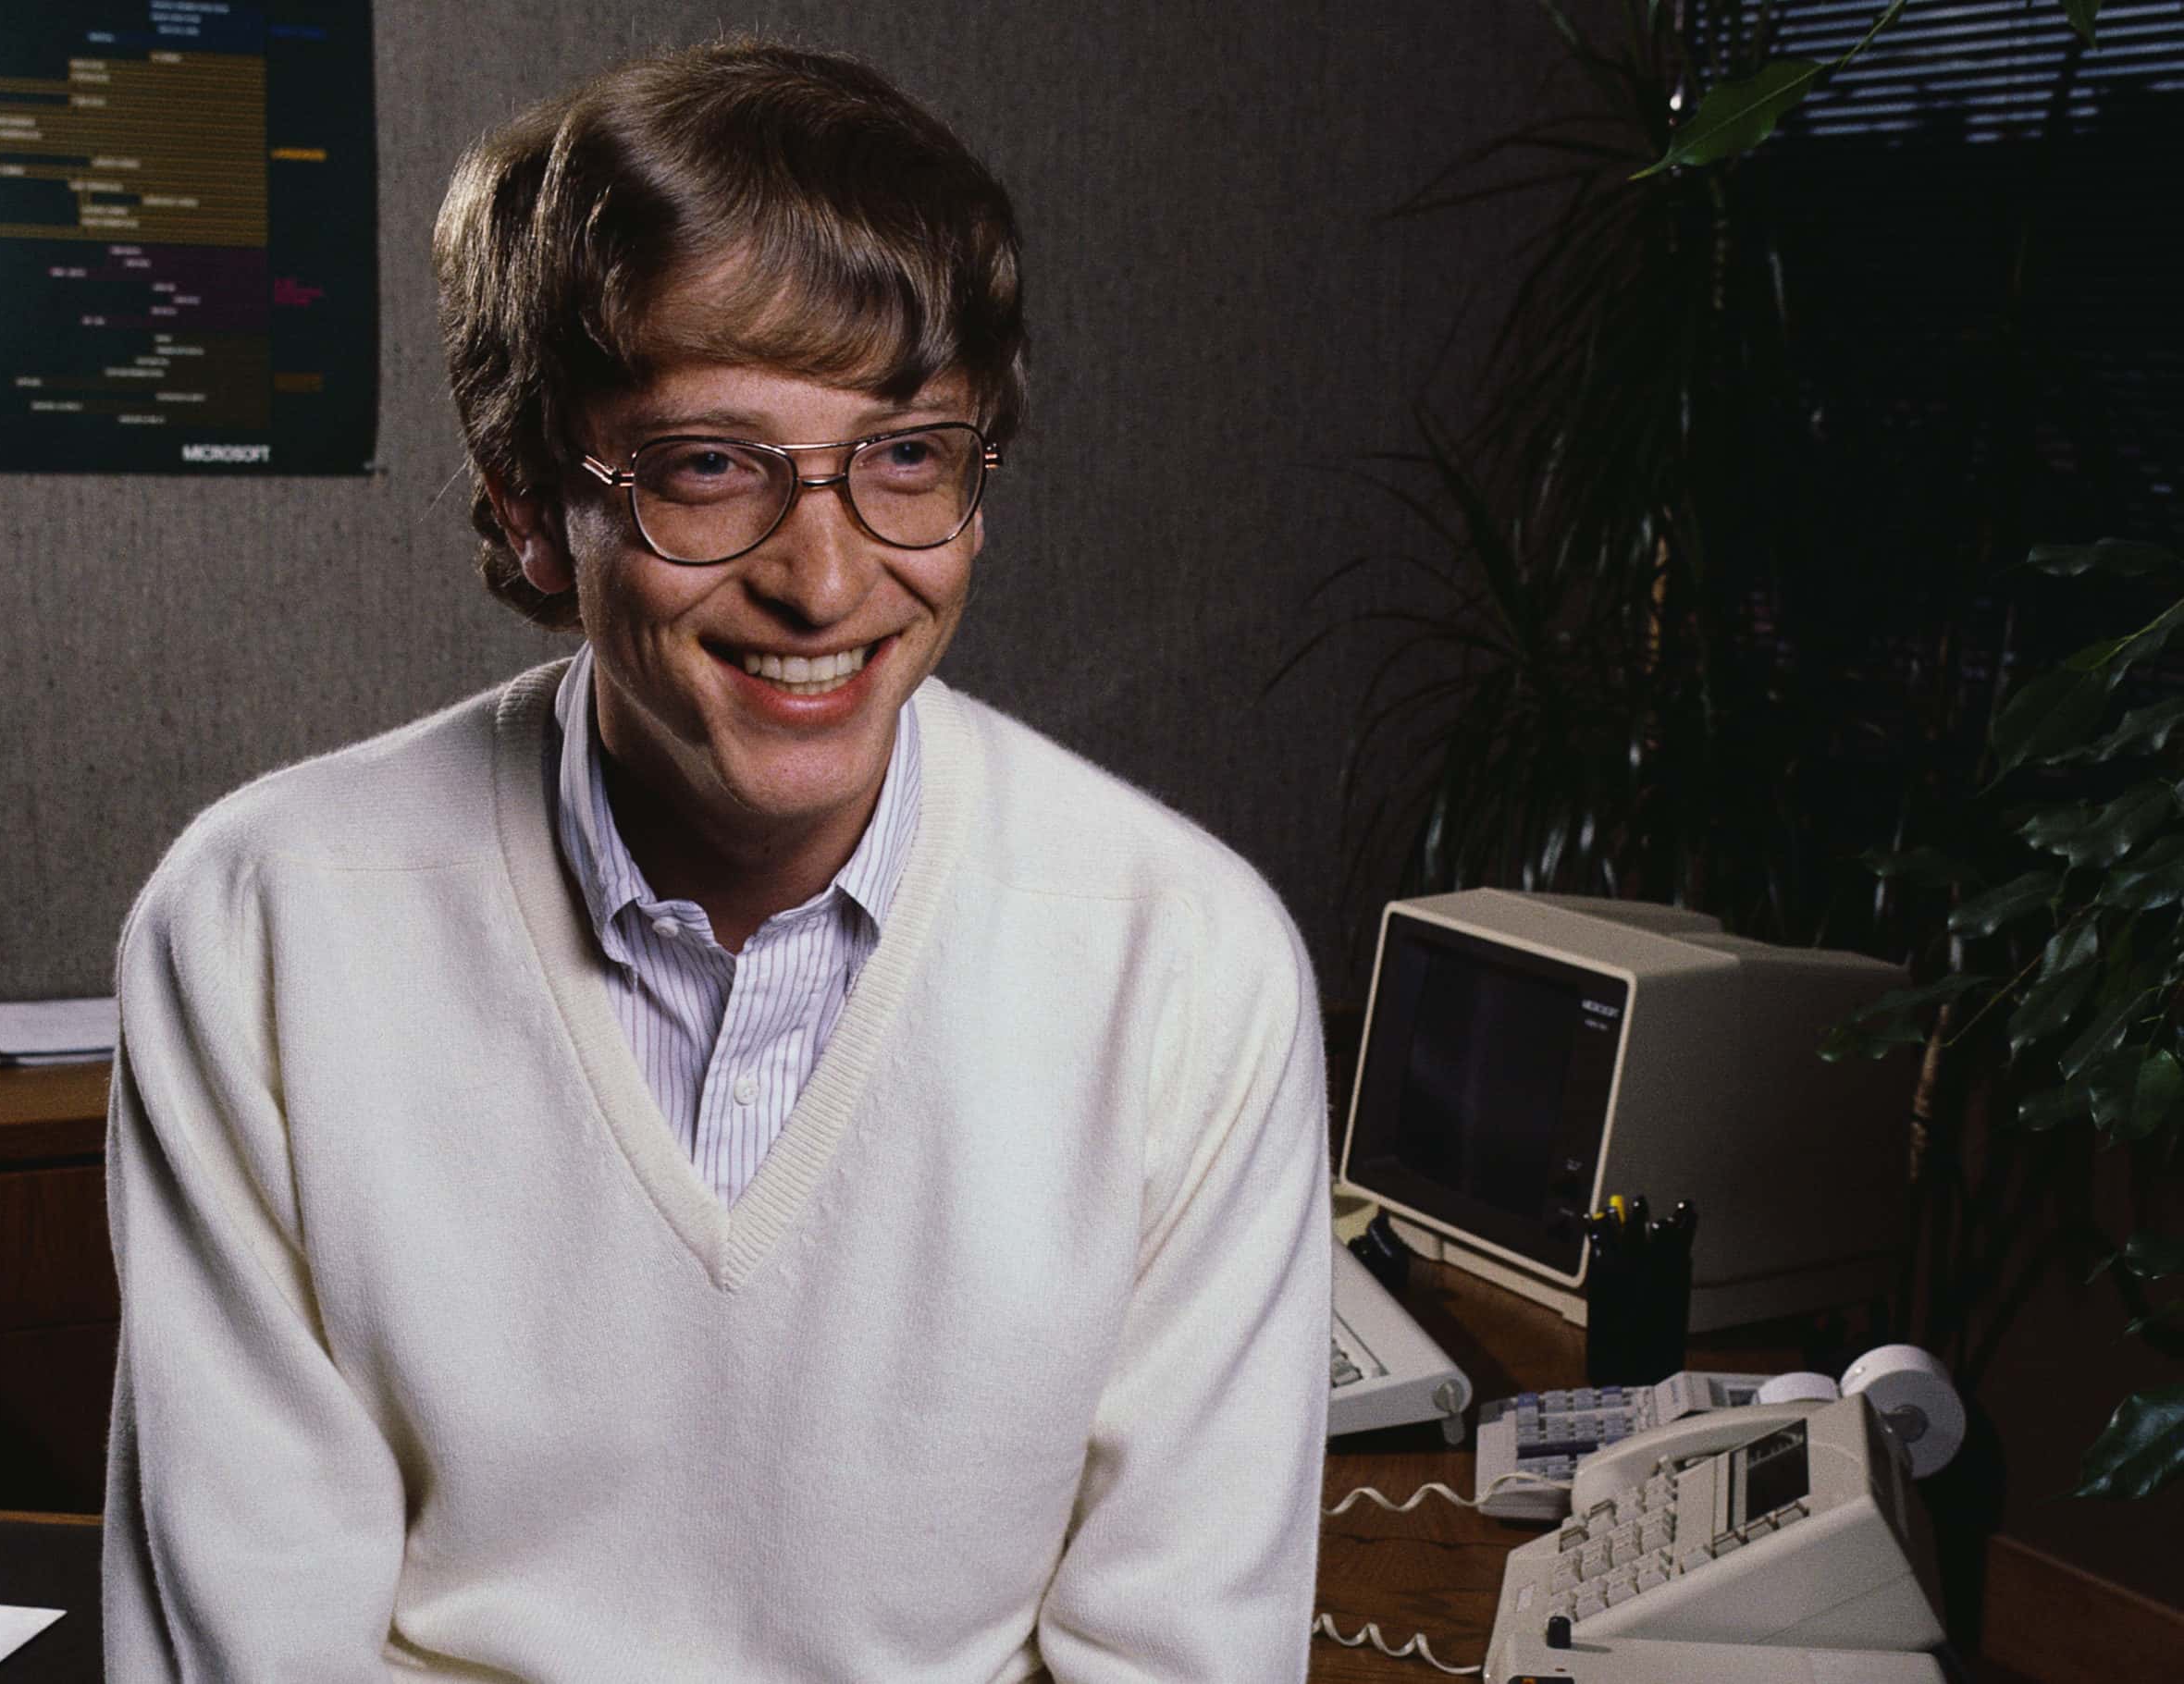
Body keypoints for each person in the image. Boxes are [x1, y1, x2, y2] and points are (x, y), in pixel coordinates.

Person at [103, 37, 1328, 1682]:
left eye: (905, 455)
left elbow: (1181, 1661)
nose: (825, 582)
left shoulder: (1188, 963)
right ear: (535, 507)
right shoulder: (257, 927)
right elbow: (260, 1649)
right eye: (709, 467)